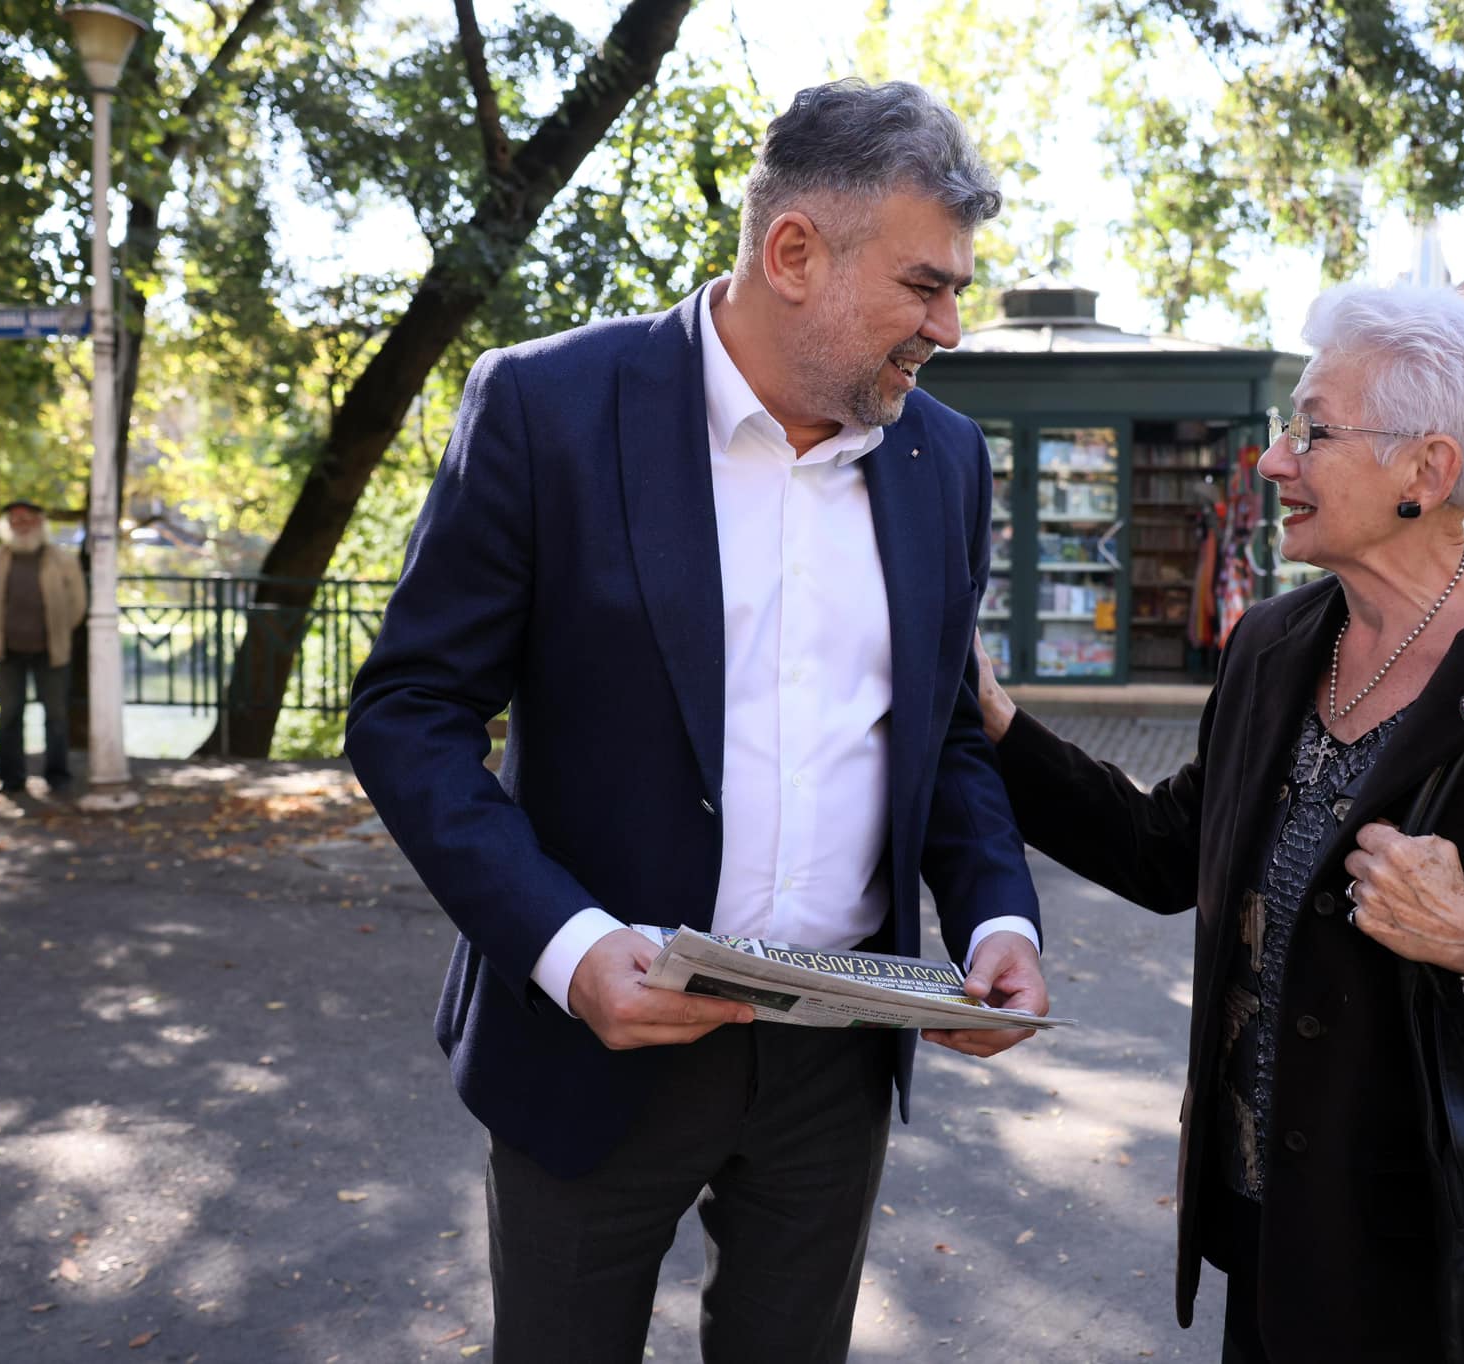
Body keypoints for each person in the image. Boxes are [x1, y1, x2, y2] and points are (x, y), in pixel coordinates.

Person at [346, 79, 1047, 1364]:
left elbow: (941, 733)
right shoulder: (544, 407)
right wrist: (564, 946)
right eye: (923, 286)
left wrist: (998, 913)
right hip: (588, 1040)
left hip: (836, 1056)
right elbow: (409, 712)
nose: (948, 324)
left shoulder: (942, 459)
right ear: (793, 254)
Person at [971, 284, 1464, 1363]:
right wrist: (998, 723)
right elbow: (1164, 850)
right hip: (1271, 1243)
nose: (1274, 459)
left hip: (1452, 1281)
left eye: (1313, 428)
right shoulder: (1274, 645)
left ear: (1425, 472)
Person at [0, 499, 86, 795]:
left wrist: (60, 630)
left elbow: (78, 604)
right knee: (9, 715)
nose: (21, 524)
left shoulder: (61, 560)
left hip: (50, 650)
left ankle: (57, 777)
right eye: (15, 519)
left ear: (39, 522)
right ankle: (11, 779)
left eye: (27, 518)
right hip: (10, 650)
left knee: (55, 716)